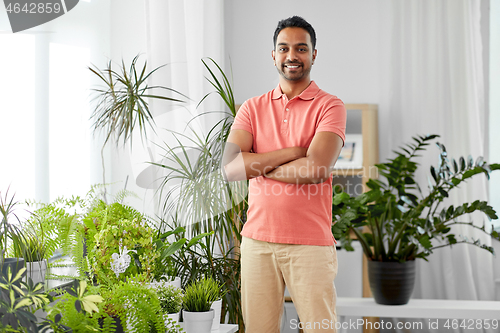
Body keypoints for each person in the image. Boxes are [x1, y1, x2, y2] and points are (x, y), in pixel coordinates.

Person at [224, 16, 346, 333]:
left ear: (313, 55)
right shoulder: (252, 107)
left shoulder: (330, 106)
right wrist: (292, 152)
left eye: (301, 48)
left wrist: (259, 165)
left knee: (321, 329)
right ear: (274, 55)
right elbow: (232, 167)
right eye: (284, 48)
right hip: (257, 242)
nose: (292, 55)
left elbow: (316, 169)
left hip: (311, 245)